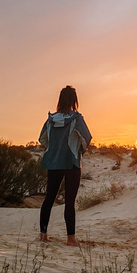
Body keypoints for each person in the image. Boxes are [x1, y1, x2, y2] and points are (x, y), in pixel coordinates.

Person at [38, 85, 92, 246]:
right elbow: (87, 138)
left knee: (49, 198)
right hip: (71, 163)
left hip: (53, 162)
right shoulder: (76, 118)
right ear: (74, 100)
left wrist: (53, 149)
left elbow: (42, 139)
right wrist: (79, 150)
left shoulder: (51, 119)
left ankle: (43, 235)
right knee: (70, 202)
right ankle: (71, 239)